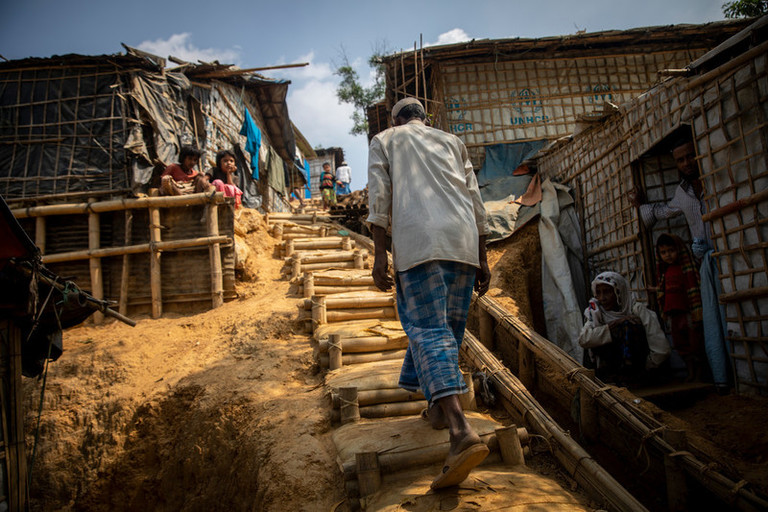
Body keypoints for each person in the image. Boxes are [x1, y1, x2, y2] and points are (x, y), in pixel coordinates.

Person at [367, 97, 491, 489]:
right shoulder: (452, 142)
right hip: (463, 244)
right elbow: (475, 199)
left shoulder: (385, 140)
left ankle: (459, 430)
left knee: (427, 331)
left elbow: (380, 199)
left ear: (396, 120)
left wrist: (379, 256)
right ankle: (438, 409)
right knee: (448, 330)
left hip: (420, 245)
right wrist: (483, 259)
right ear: (425, 119)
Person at [630, 137, 730, 393]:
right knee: (709, 327)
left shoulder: (720, 179)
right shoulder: (683, 194)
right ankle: (718, 377)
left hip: (732, 258)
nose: (687, 163)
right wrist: (641, 206)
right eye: (681, 159)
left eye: (690, 156)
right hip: (708, 265)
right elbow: (664, 212)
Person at [578, 271, 670, 385]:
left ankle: (633, 376)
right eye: (598, 292)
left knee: (629, 325)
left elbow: (661, 348)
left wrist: (647, 366)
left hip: (640, 369)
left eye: (607, 292)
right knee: (615, 328)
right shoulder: (594, 312)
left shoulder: (636, 309)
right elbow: (584, 339)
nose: (602, 298)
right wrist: (614, 324)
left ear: (619, 292)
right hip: (610, 372)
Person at [655, 233, 704, 381]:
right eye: (663, 252)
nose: (668, 255)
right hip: (673, 314)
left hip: (687, 313)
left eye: (671, 250)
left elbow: (694, 286)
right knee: (680, 345)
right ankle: (690, 373)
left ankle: (699, 374)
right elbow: (662, 290)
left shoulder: (686, 268)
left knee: (695, 344)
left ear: (678, 250)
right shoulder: (665, 272)